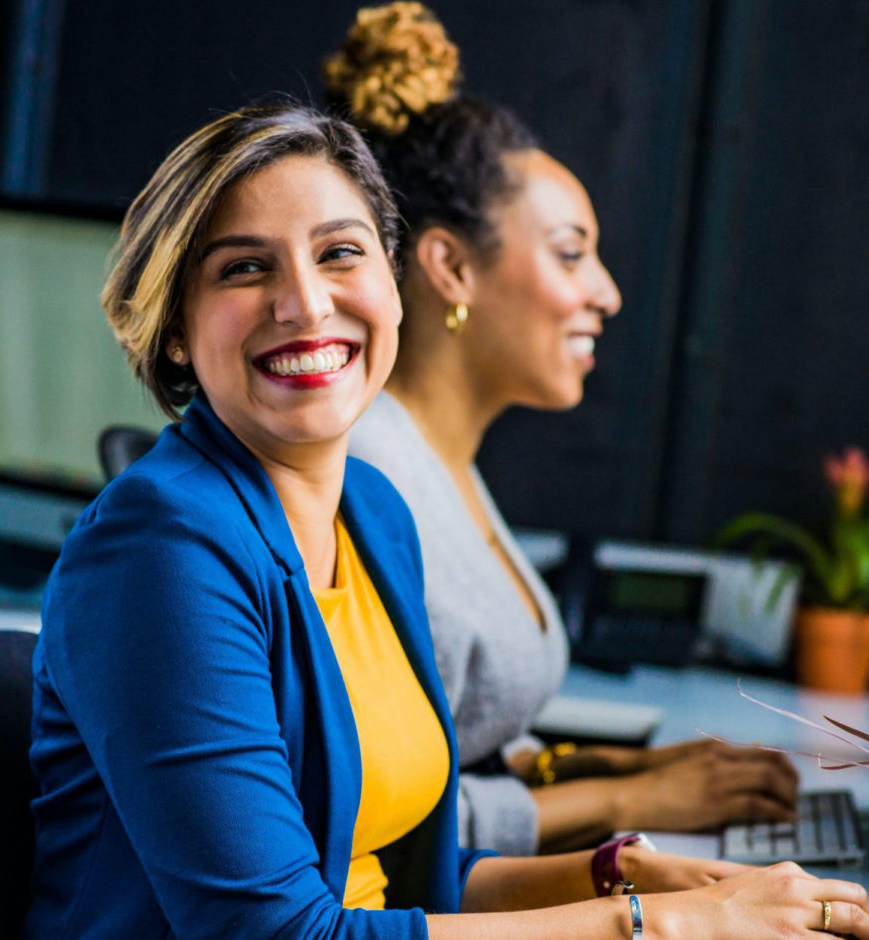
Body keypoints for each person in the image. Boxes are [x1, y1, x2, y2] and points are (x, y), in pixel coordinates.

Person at [27, 101, 869, 940]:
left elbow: (412, 884)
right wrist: (658, 926)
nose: (306, 303)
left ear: (395, 280)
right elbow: (276, 933)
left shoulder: (373, 515)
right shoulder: (160, 548)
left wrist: (627, 875)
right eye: (245, 269)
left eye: (340, 253)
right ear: (176, 328)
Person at [331, 1, 801, 857]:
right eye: (571, 252)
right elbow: (379, 821)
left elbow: (459, 744)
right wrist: (632, 799)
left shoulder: (442, 464)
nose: (607, 293)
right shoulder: (369, 480)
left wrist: (615, 768)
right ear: (451, 266)